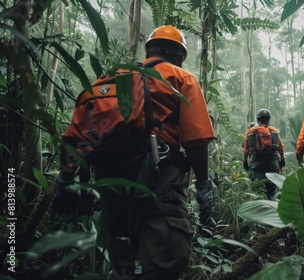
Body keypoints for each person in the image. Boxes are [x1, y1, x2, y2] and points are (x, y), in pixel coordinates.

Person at [50, 25, 216, 279]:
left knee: (122, 252)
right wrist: (203, 185)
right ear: (180, 54)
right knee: (167, 252)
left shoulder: (111, 77)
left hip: (109, 176)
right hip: (159, 175)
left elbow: (78, 135)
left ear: (148, 49)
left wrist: (65, 181)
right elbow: (196, 140)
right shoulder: (181, 77)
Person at [242, 109, 285, 199]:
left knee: (257, 188)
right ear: (268, 120)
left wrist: (245, 161)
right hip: (272, 162)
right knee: (272, 188)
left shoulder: (251, 131)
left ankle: (260, 206)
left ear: (258, 120)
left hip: (257, 163)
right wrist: (282, 159)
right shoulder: (273, 130)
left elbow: (246, 149)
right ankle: (272, 205)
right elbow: (280, 147)